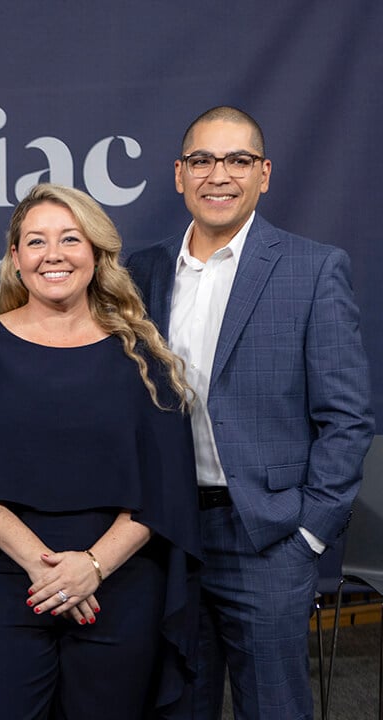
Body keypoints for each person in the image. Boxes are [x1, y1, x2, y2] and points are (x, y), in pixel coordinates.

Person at [0, 183, 201, 719]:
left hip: (118, 587)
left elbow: (167, 492)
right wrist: (48, 571)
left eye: (70, 239)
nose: (54, 255)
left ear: (96, 252)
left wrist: (91, 567)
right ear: (16, 259)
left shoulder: (142, 355)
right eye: (36, 241)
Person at [127, 106, 374, 720]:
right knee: (176, 704)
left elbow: (347, 418)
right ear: (178, 175)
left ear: (264, 174)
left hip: (268, 536)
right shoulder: (142, 271)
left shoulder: (312, 269)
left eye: (238, 160)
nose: (219, 175)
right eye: (203, 160)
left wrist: (309, 529)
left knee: (274, 707)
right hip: (168, 535)